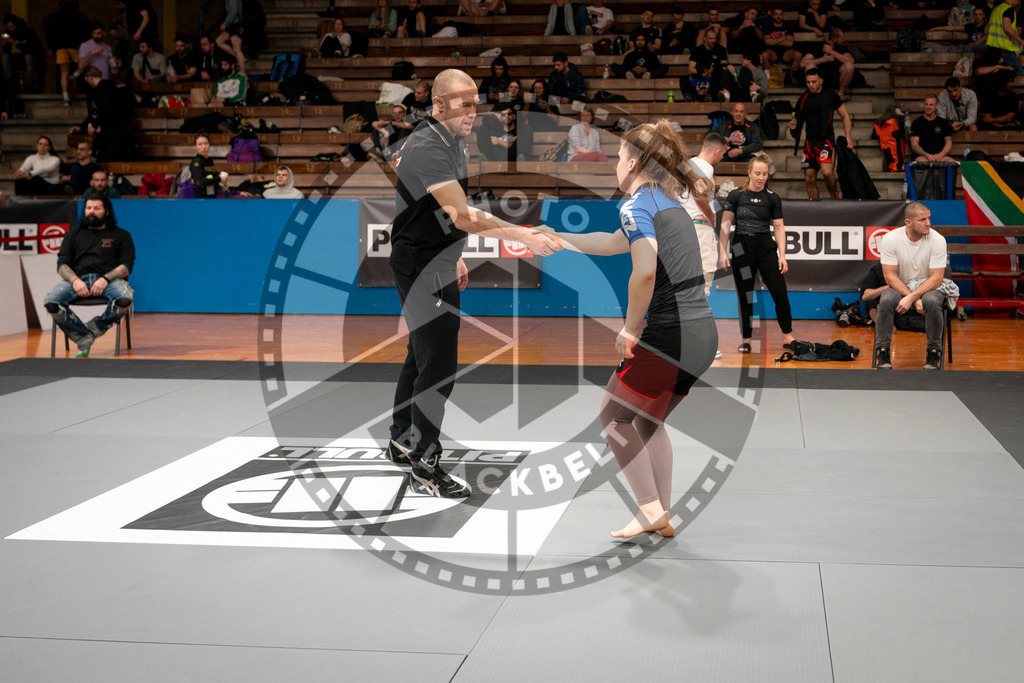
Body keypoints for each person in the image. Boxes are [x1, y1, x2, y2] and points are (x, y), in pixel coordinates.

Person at [384, 68, 561, 498]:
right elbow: (462, 215)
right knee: (439, 366)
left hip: (434, 260)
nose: (474, 110)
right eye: (465, 102)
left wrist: (455, 252)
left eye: (477, 101)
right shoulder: (428, 145)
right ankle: (425, 465)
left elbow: (443, 211)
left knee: (421, 352)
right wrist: (523, 235)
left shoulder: (450, 141)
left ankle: (399, 439)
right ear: (440, 104)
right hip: (421, 266)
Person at [548, 120, 718, 538]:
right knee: (648, 421)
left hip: (668, 335)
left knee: (612, 419)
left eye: (619, 158)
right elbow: (611, 243)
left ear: (635, 163)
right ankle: (662, 515)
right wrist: (559, 237)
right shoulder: (670, 203)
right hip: (702, 336)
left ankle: (648, 509)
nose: (615, 167)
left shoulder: (636, 205)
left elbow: (643, 273)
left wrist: (629, 329)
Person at [719, 152, 796, 353]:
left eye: (765, 174)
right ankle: (746, 338)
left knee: (779, 291)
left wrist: (782, 254)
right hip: (741, 250)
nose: (761, 177)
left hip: (766, 250)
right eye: (758, 173)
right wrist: (723, 251)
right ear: (749, 173)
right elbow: (726, 225)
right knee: (745, 295)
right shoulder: (736, 195)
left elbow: (779, 227)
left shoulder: (772, 198)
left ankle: (788, 335)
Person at [43, 196, 135, 357]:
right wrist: (75, 281)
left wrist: (105, 279)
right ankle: (83, 335)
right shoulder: (73, 235)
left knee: (125, 299)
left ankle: (93, 329)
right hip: (77, 281)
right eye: (88, 208)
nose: (91, 212)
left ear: (106, 211)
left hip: (110, 281)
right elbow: (62, 264)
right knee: (51, 302)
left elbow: (127, 266)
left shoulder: (122, 235)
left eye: (96, 208)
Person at [873, 202, 949, 370]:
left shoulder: (938, 240)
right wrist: (912, 297)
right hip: (900, 286)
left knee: (931, 301)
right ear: (908, 222)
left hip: (930, 287)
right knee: (886, 300)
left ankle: (934, 351)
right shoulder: (890, 239)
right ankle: (883, 351)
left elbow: (937, 278)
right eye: (922, 219)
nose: (928, 223)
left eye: (929, 218)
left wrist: (913, 297)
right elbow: (889, 277)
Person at [790, 68, 854, 199]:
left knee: (827, 173)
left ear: (821, 81)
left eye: (814, 82)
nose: (811, 85)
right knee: (809, 178)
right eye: (808, 82)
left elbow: (845, 116)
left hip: (826, 140)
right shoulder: (803, 98)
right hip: (810, 142)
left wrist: (848, 137)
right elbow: (795, 124)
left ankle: (833, 197)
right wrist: (793, 128)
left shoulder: (830, 95)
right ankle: (814, 206)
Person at [70, 67, 124, 161]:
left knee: (104, 154)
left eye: (87, 79)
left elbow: (107, 111)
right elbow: (93, 114)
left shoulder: (105, 89)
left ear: (90, 77)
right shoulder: (94, 91)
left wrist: (97, 125)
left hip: (111, 129)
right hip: (103, 127)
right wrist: (82, 126)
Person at [44, 0, 91, 104]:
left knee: (62, 72)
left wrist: (51, 47)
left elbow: (49, 32)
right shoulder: (81, 17)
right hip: (76, 47)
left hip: (60, 48)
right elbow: (87, 33)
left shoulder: (54, 17)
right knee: (81, 68)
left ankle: (64, 94)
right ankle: (80, 87)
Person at [800, 28, 855, 100]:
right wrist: (823, 60)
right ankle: (815, 94)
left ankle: (840, 93)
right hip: (820, 79)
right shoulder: (819, 46)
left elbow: (851, 60)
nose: (843, 40)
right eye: (842, 38)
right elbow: (802, 63)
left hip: (836, 79)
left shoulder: (842, 48)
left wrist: (832, 52)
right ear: (834, 39)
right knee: (809, 66)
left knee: (849, 65)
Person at [2, 15, 45, 92]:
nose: (11, 29)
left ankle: (29, 83)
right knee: (5, 57)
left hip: (34, 55)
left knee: (28, 57)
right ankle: (8, 82)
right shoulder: (8, 33)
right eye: (9, 27)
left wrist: (15, 43)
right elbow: (7, 51)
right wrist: (5, 44)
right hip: (21, 56)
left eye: (12, 26)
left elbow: (30, 49)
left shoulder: (28, 31)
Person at [910, 95, 955, 161]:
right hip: (923, 156)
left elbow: (949, 142)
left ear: (936, 106)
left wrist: (940, 155)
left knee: (951, 162)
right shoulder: (916, 123)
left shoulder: (944, 123)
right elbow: (914, 145)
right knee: (922, 162)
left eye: (931, 105)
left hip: (941, 156)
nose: (928, 107)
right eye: (926, 104)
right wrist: (927, 155)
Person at [985, 0, 1024, 76]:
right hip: (1005, 50)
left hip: (992, 51)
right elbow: (1007, 28)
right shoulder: (1009, 9)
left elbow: (986, 31)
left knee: (999, 77)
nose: (1019, 2)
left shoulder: (996, 10)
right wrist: (1020, 40)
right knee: (1018, 75)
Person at [762, 7, 802, 73]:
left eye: (780, 14)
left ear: (783, 16)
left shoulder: (788, 28)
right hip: (772, 52)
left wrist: (774, 40)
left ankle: (791, 78)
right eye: (776, 14)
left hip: (786, 53)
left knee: (798, 55)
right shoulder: (768, 29)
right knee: (765, 55)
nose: (778, 16)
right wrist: (783, 38)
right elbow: (767, 42)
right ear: (772, 16)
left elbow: (790, 43)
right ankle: (767, 78)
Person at [189, 133, 222, 198]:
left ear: (209, 145)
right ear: (195, 146)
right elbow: (199, 182)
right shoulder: (196, 162)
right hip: (201, 198)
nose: (203, 147)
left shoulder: (210, 161)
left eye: (206, 144)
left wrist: (220, 186)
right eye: (200, 144)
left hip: (212, 196)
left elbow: (212, 178)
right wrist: (219, 179)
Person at [215, 0, 246, 69]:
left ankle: (243, 72)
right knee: (218, 41)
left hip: (235, 24)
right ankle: (237, 57)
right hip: (231, 25)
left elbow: (234, 12)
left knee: (237, 48)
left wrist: (225, 23)